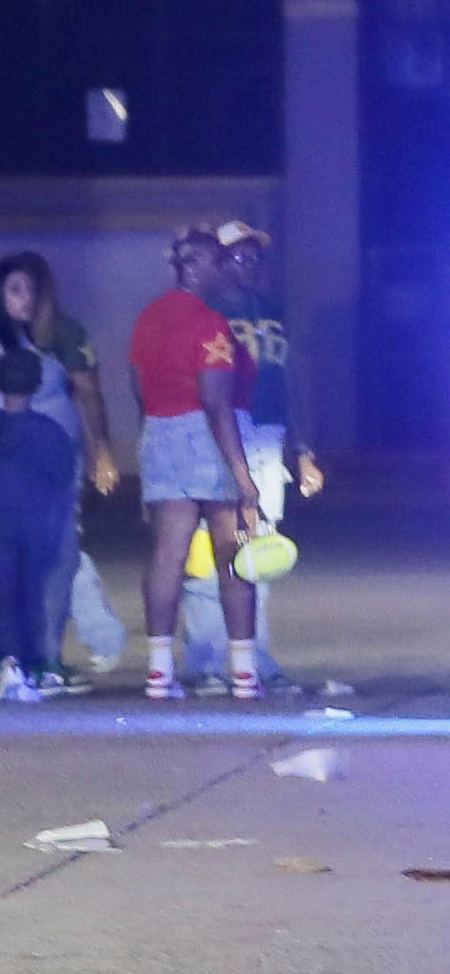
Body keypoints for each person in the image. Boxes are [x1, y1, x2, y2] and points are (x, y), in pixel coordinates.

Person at [127, 222, 273, 704]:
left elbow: (136, 382)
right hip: (205, 438)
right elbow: (216, 402)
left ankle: (159, 669)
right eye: (216, 262)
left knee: (168, 557)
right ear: (195, 266)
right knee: (233, 556)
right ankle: (245, 672)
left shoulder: (147, 316)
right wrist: (242, 475)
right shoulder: (209, 323)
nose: (223, 271)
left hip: (159, 433)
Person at [184, 220, 321, 689]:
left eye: (255, 257)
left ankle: (255, 657)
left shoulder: (276, 311)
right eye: (239, 257)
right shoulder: (205, 311)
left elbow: (294, 381)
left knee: (258, 550)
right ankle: (204, 660)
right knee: (209, 550)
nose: (250, 266)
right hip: (223, 430)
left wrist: (302, 451)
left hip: (266, 433)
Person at [0, 345, 80, 705]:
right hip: (39, 523)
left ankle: (10, 663)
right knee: (33, 593)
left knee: (1, 592)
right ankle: (38, 665)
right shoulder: (51, 432)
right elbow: (63, 475)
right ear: (36, 386)